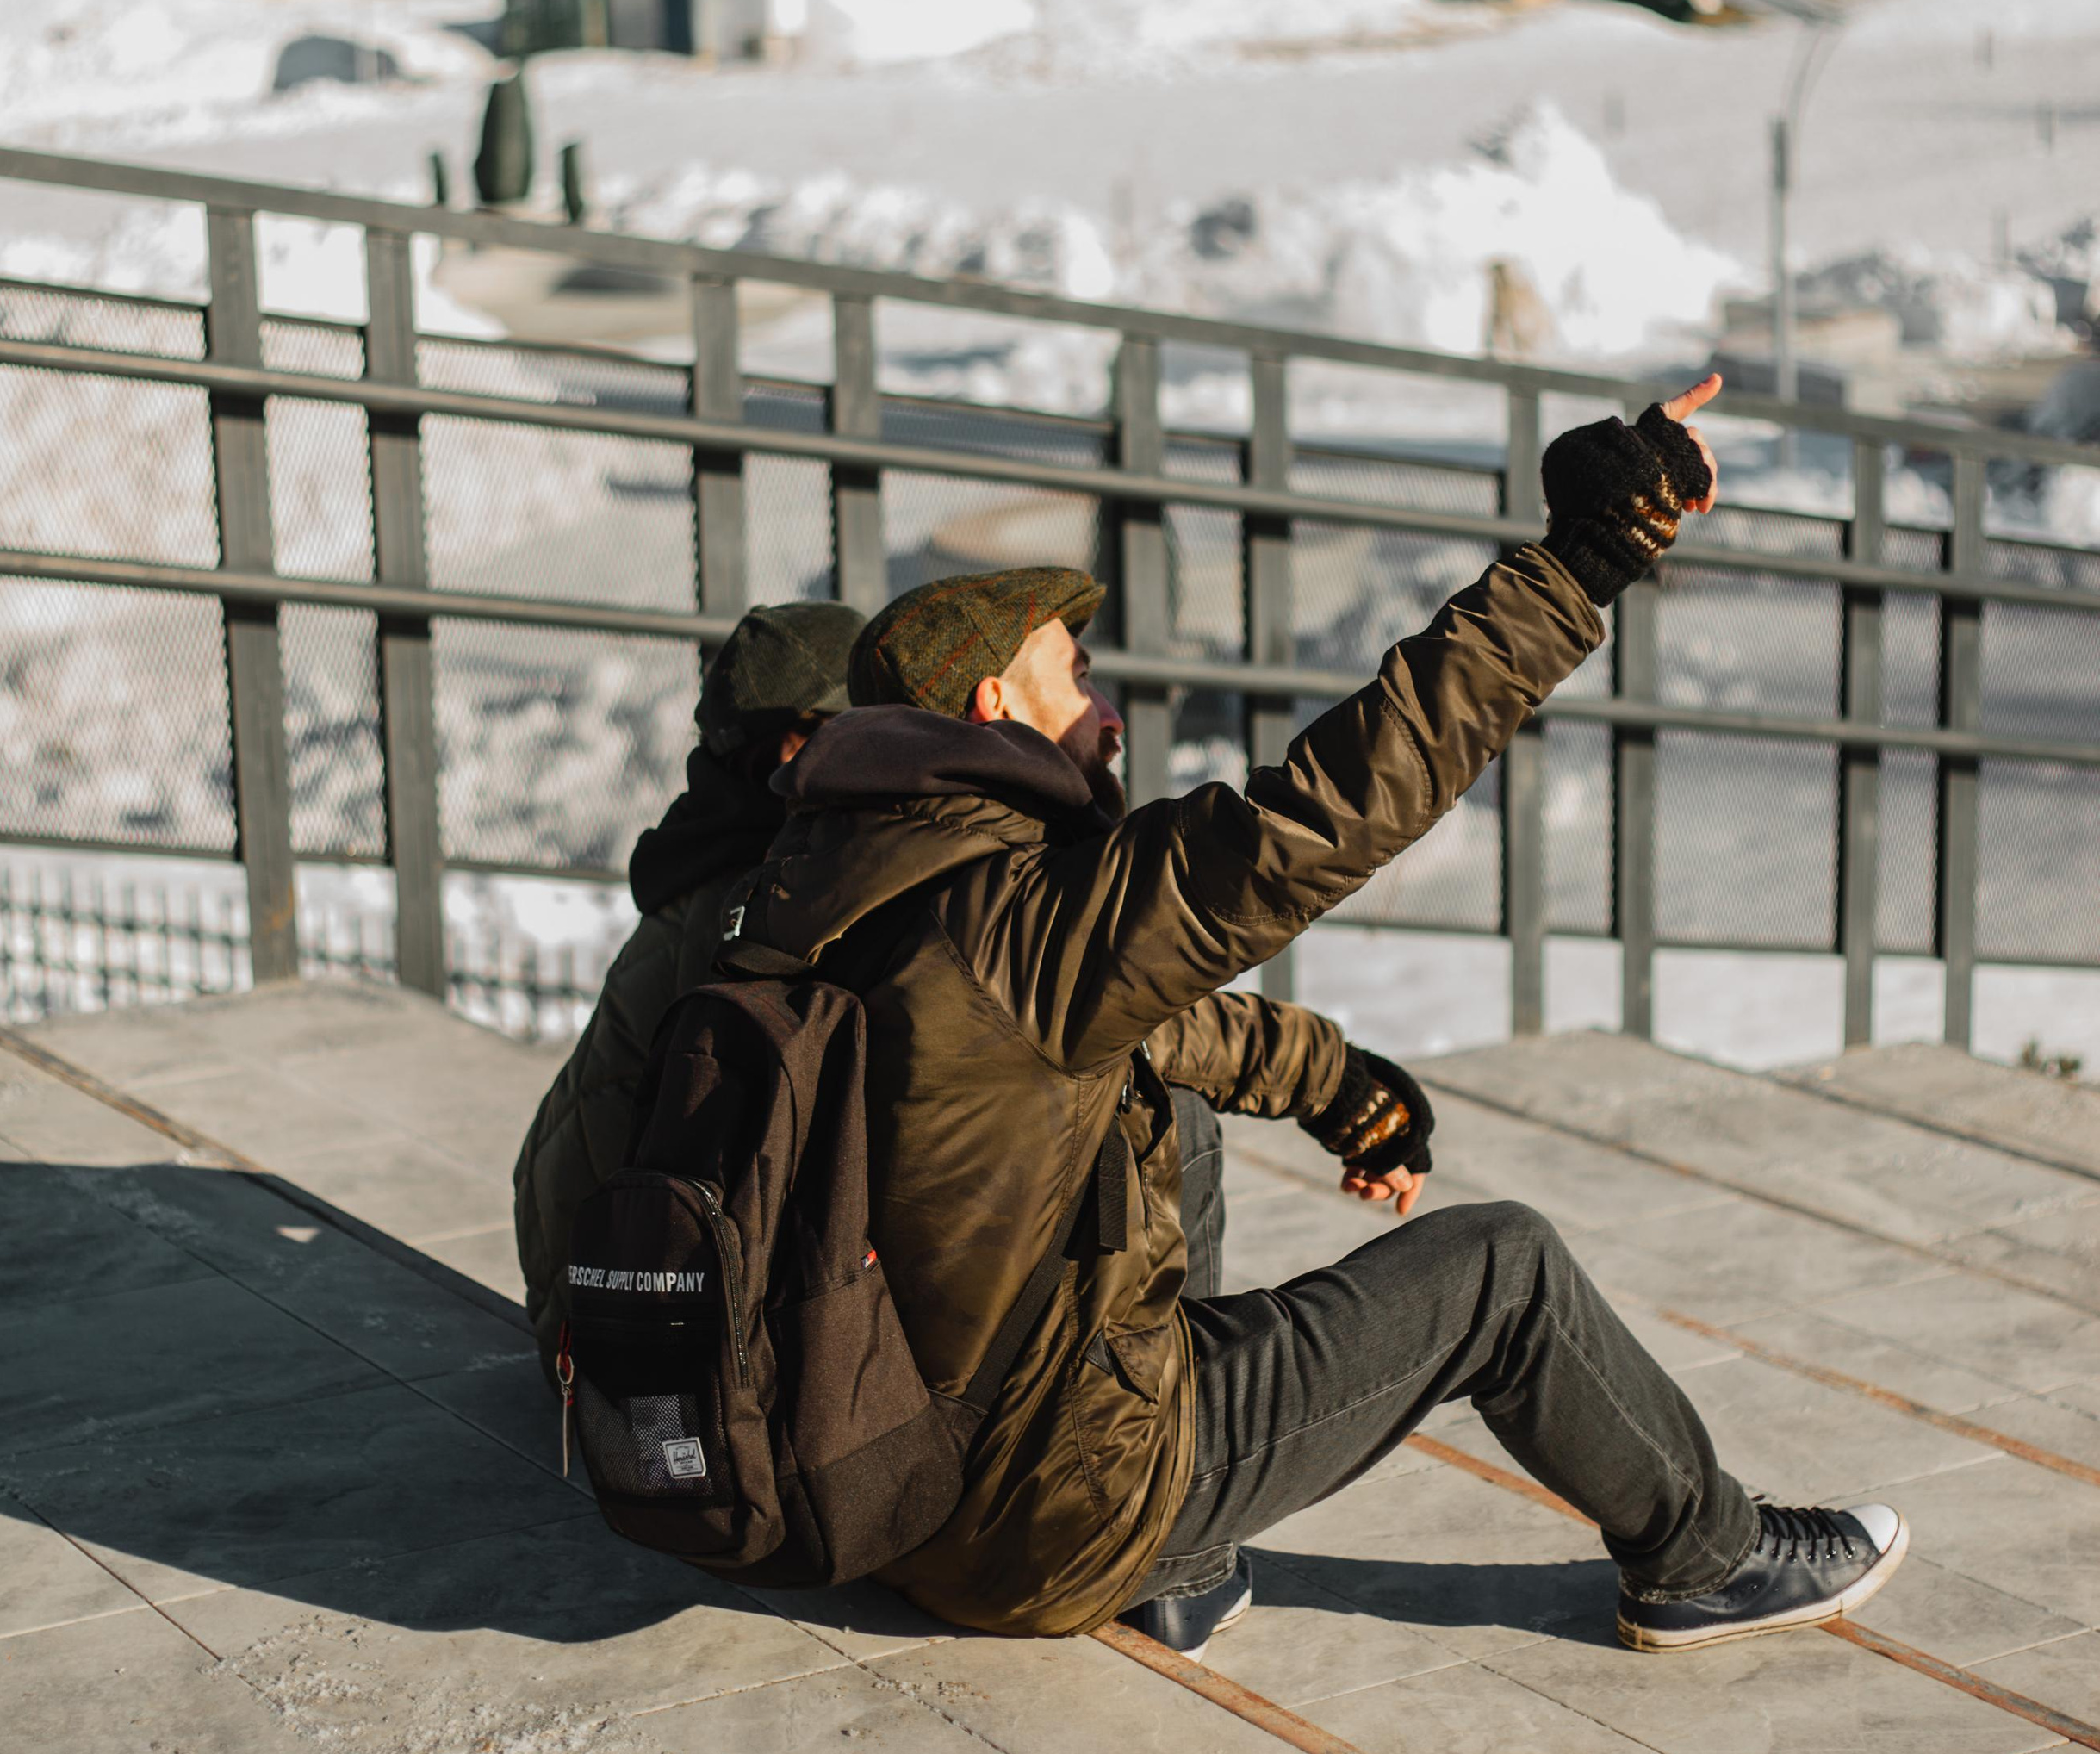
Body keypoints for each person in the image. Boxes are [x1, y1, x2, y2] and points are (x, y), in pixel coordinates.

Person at [727, 380, 1910, 1654]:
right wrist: (1581, 563)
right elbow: (1324, 814)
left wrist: (1336, 1080)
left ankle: (1174, 1558)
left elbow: (1157, 1032)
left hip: (893, 1491)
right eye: (1074, 677)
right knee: (1502, 1270)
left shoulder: (836, 893)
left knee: (1170, 1107)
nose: (1108, 714)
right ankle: (1707, 1560)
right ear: (992, 710)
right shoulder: (1028, 920)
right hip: (1044, 1514)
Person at [513, 599, 863, 1363]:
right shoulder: (749, 902)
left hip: (592, 1267)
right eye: (859, 727)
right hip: (620, 1320)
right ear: (787, 748)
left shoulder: (712, 846)